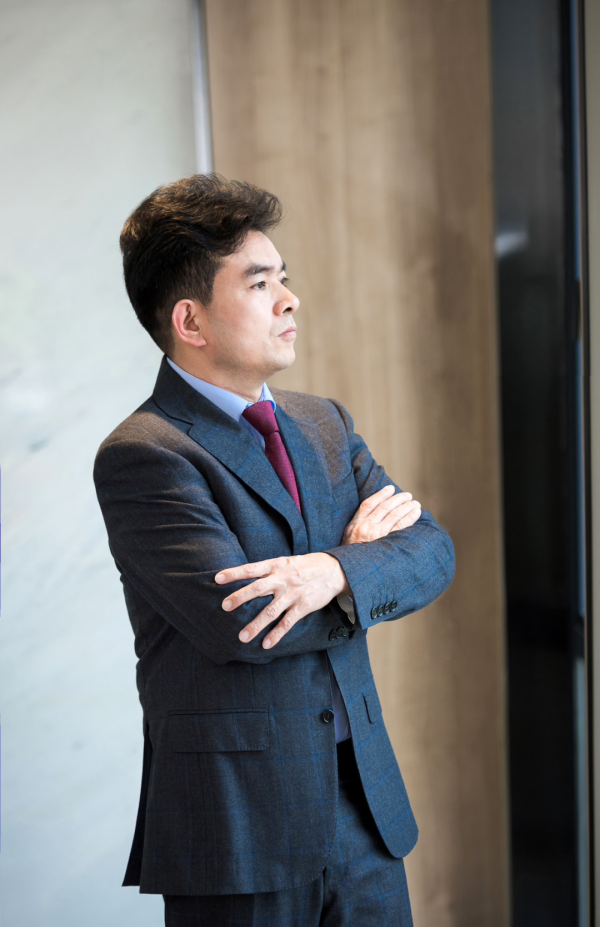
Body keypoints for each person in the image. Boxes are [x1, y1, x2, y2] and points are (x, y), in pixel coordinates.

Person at [94, 174, 455, 927]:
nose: (290, 299)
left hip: (365, 807)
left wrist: (334, 570)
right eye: (260, 284)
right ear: (190, 320)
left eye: (283, 278)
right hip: (239, 829)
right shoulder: (145, 453)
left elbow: (432, 550)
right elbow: (245, 621)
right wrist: (362, 570)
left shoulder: (324, 423)